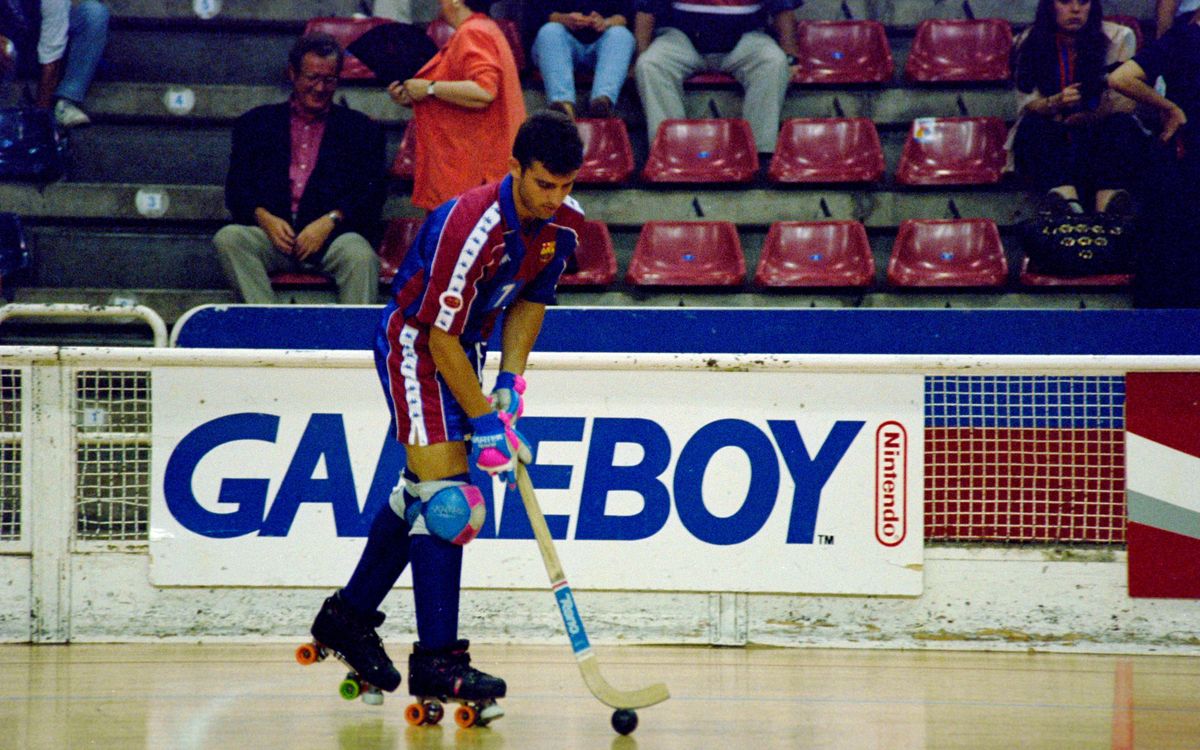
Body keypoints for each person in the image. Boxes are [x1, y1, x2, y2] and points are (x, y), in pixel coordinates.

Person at [307, 111, 585, 715]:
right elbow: (437, 339)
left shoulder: (563, 226)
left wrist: (510, 382)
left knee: (423, 494)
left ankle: (347, 619)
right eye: (543, 185)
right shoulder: (474, 224)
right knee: (452, 502)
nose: (555, 199)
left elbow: (532, 299)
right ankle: (438, 662)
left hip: (468, 347)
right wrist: (484, 419)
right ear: (514, 168)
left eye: (566, 186)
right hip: (417, 344)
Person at [213, 33, 385, 305]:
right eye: (312, 78)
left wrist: (331, 220)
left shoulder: (362, 129)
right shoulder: (255, 123)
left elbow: (372, 195)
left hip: (331, 239)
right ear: (292, 74)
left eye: (329, 80)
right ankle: (267, 335)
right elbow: (236, 189)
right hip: (271, 238)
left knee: (361, 256)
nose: (320, 88)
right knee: (230, 239)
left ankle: (353, 345)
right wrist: (263, 217)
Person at [1007, 0, 1145, 216]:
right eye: (1065, 2)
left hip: (1100, 127)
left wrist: (1090, 116)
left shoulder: (1119, 37)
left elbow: (1127, 102)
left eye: (1083, 2)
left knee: (1121, 126)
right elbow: (1027, 103)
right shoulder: (1028, 40)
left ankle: (1108, 210)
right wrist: (1056, 102)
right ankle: (1068, 207)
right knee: (1032, 127)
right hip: (1054, 128)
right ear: (1049, 6)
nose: (1075, 9)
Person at [390, 0, 526, 211]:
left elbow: (484, 91)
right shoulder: (483, 28)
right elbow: (465, 97)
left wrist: (429, 88)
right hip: (480, 172)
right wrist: (415, 97)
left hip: (473, 175)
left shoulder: (472, 32)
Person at [1110, 7, 1200, 306]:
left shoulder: (1180, 37)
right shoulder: (1184, 38)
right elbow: (1120, 79)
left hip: (1180, 160)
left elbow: (1122, 78)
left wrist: (1169, 107)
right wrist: (1168, 107)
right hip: (1183, 163)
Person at [632, 0, 800, 157]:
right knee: (650, 64)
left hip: (746, 36)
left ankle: (759, 154)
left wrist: (790, 57)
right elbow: (646, 9)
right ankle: (671, 153)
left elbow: (783, 7)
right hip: (681, 38)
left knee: (774, 62)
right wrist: (640, 54)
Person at [530, 0, 636, 118]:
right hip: (560, 44)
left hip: (603, 45)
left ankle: (602, 101)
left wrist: (605, 22)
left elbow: (626, 16)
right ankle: (563, 105)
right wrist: (564, 19)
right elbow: (537, 14)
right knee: (550, 31)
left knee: (621, 34)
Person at [36, 0, 109, 128]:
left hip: (53, 33)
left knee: (95, 12)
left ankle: (66, 100)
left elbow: (51, 55)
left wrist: (40, 117)